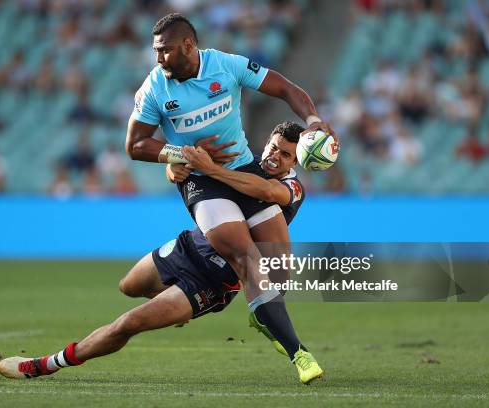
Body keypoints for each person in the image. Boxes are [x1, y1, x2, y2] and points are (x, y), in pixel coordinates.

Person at [0, 122, 323, 384]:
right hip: (188, 247)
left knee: (127, 324)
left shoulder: (294, 189)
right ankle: (172, 303)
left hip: (213, 280)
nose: (275, 157)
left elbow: (266, 191)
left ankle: (47, 364)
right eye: (274, 147)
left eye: (285, 155)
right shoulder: (242, 158)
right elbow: (183, 169)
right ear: (266, 141)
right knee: (128, 286)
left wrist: (211, 170)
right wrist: (174, 171)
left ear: (296, 163)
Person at [125, 13, 336, 369]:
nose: (158, 58)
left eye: (165, 51)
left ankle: (260, 311)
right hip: (203, 183)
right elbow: (135, 145)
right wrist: (181, 155)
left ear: (189, 45)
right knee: (245, 257)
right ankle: (298, 354)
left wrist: (314, 121)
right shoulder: (154, 89)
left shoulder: (226, 66)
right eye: (155, 51)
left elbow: (286, 89)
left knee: (276, 261)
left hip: (241, 168)